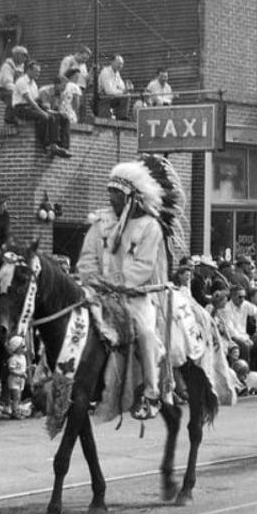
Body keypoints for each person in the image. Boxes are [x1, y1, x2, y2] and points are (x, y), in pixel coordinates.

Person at [77, 156, 186, 420]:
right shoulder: (99, 223)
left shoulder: (150, 227)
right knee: (73, 323)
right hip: (98, 294)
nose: (111, 198)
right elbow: (87, 257)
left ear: (132, 197)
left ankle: (151, 393)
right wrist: (93, 281)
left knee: (146, 333)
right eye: (110, 192)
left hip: (134, 297)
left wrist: (114, 284)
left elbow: (143, 267)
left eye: (116, 193)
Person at [36, 70, 76, 157]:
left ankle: (64, 147)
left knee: (66, 119)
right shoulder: (45, 91)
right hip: (41, 111)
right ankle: (53, 145)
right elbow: (46, 108)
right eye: (63, 85)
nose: (64, 88)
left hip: (52, 111)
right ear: (56, 84)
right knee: (55, 116)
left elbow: (59, 108)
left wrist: (64, 113)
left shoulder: (61, 94)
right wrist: (58, 113)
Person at [0, 45, 30, 124]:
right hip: (4, 90)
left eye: (26, 56)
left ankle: (20, 117)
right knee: (13, 96)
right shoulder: (7, 66)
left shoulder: (21, 66)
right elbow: (7, 83)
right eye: (23, 55)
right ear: (16, 55)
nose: (25, 58)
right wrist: (18, 91)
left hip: (14, 88)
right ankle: (9, 118)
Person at [96, 54, 130, 120]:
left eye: (122, 64)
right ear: (112, 62)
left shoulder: (117, 73)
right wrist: (123, 91)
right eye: (118, 63)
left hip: (111, 97)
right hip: (102, 98)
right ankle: (120, 117)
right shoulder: (106, 72)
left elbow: (122, 87)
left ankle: (122, 117)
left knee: (126, 95)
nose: (120, 66)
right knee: (124, 94)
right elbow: (109, 91)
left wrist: (126, 89)